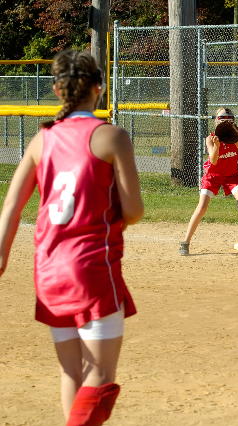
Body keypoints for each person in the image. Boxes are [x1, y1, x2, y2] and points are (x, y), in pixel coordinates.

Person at [0, 49, 144, 425]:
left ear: (57, 90)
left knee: (72, 372)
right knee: (100, 376)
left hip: (48, 270)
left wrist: (0, 258)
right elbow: (133, 210)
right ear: (99, 87)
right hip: (91, 269)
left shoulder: (42, 139)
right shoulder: (112, 136)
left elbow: (11, 206)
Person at [180, 107, 238, 255]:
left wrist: (237, 142)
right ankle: (185, 242)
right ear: (216, 121)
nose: (226, 122)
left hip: (231, 176)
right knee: (202, 207)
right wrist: (217, 146)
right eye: (222, 119)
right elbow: (213, 160)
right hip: (213, 176)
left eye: (229, 119)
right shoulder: (210, 138)